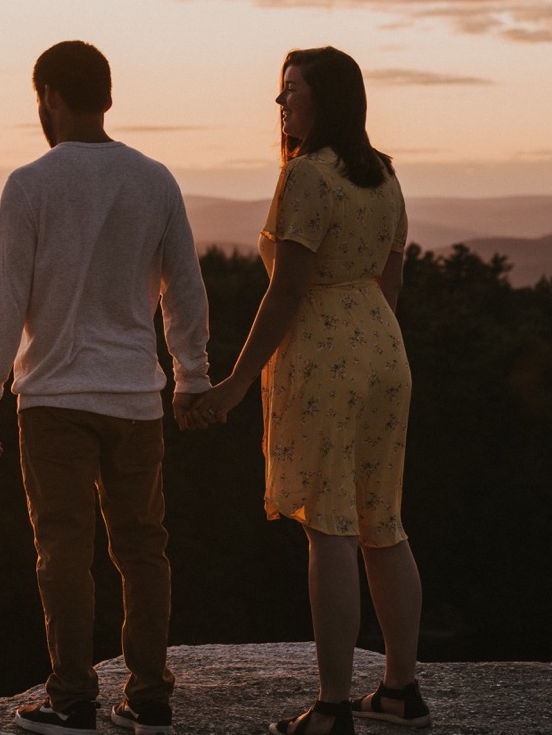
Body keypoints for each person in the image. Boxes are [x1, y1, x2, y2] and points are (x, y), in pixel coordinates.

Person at [181, 47, 429, 735]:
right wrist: (369, 338)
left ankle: (332, 707)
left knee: (331, 527)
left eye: (291, 91)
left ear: (326, 101)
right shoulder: (384, 176)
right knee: (384, 519)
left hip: (325, 353)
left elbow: (288, 289)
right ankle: (401, 693)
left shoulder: (307, 178)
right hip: (385, 349)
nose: (281, 104)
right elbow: (393, 280)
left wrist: (232, 384)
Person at [0, 40, 211, 735]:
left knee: (63, 550)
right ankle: (150, 693)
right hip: (136, 397)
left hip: (54, 398)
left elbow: (4, 298)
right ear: (105, 94)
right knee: (143, 547)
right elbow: (184, 292)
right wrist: (190, 375)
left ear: (49, 97)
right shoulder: (155, 180)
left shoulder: (31, 184)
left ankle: (72, 698)